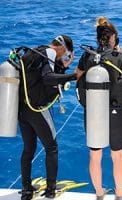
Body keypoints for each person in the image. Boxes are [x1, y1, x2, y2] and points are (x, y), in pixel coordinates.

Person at [75, 16, 122, 200]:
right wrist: (118, 54)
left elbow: (78, 77)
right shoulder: (120, 58)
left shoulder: (87, 56)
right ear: (113, 37)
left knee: (95, 155)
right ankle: (119, 193)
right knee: (117, 156)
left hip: (92, 111)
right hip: (114, 111)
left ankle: (99, 193)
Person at [18, 35, 76, 200]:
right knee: (52, 148)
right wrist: (73, 75)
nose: (62, 57)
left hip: (22, 109)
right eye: (65, 54)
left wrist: (64, 67)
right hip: (36, 109)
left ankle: (27, 190)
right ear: (61, 47)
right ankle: (51, 190)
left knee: (28, 149)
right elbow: (48, 78)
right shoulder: (49, 53)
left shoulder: (36, 51)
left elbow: (42, 76)